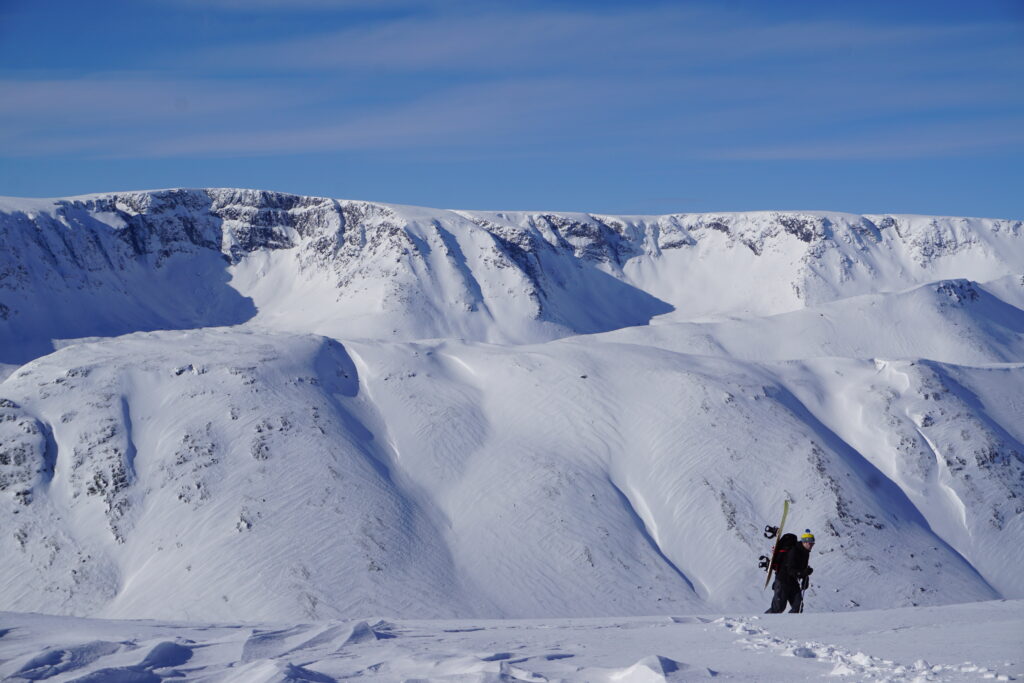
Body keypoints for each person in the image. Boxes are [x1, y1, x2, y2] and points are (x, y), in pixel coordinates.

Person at [766, 529, 815, 613]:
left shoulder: (805, 553)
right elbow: (790, 569)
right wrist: (803, 573)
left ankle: (790, 625)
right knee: (778, 608)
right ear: (805, 542)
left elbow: (801, 569)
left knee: (798, 606)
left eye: (812, 544)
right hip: (782, 580)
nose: (811, 545)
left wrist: (805, 577)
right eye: (810, 543)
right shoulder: (794, 551)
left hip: (793, 582)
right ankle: (761, 623)